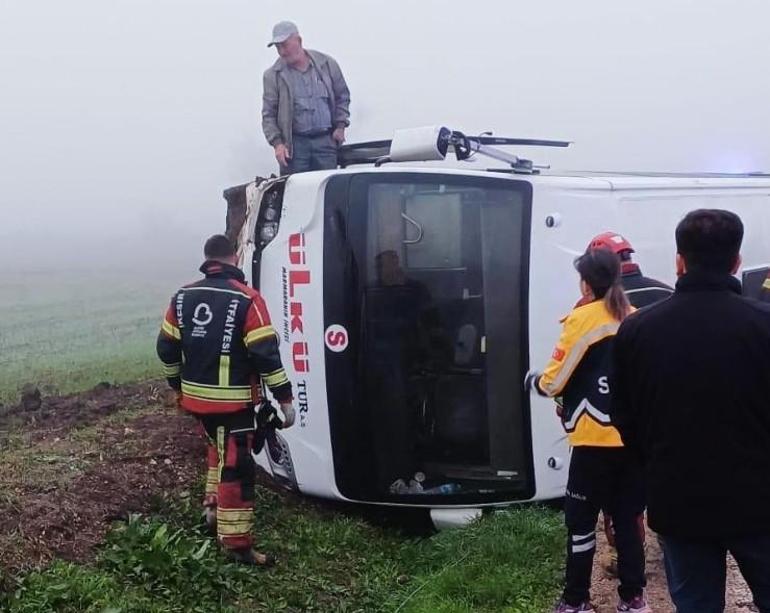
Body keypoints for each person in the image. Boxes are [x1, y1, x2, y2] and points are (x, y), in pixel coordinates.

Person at [611, 209, 770, 612]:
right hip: (760, 501)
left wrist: (657, 464)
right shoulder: (763, 325)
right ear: (736, 262)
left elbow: (622, 415)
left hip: (677, 500)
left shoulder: (637, 330)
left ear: (679, 260)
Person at [156, 234, 295, 565]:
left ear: (207, 259)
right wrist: (285, 399)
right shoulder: (248, 299)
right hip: (234, 404)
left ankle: (212, 511)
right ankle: (237, 547)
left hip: (197, 402)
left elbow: (165, 347)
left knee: (217, 452)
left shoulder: (182, 296)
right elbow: (265, 354)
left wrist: (177, 385)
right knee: (237, 468)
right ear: (234, 258)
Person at [526, 248, 649, 613]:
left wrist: (532, 382)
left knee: (581, 526)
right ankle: (633, 599)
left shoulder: (581, 321)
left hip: (593, 441)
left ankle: (575, 600)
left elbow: (553, 383)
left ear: (585, 282)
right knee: (627, 522)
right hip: (631, 442)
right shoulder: (636, 318)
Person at [584, 232, 673, 575]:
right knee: (664, 482)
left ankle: (626, 559)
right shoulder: (666, 292)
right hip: (664, 411)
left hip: (618, 418)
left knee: (621, 496)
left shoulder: (595, 305)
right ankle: (671, 549)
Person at [262, 20, 350, 174]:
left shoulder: (327, 64)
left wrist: (340, 126)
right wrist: (278, 144)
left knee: (328, 191)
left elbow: (342, 95)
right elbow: (268, 114)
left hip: (326, 142)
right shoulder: (272, 75)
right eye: (278, 47)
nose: (282, 51)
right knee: (296, 194)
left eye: (285, 45)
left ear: (299, 41)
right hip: (295, 148)